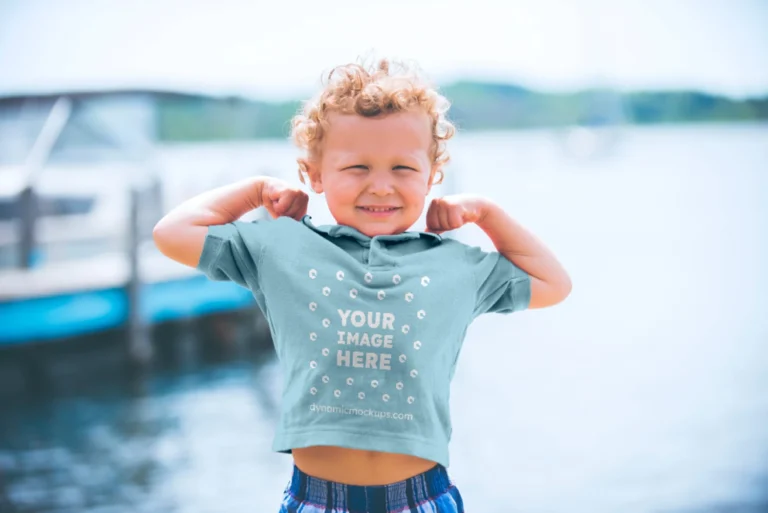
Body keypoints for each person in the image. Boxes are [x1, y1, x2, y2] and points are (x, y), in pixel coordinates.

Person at [153, 57, 572, 512]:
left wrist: (487, 214)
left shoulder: (455, 264)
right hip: (317, 499)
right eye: (356, 168)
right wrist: (254, 191)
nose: (380, 186)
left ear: (432, 175)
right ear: (314, 175)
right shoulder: (282, 248)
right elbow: (171, 234)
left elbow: (553, 283)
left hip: (420, 497)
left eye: (402, 169)